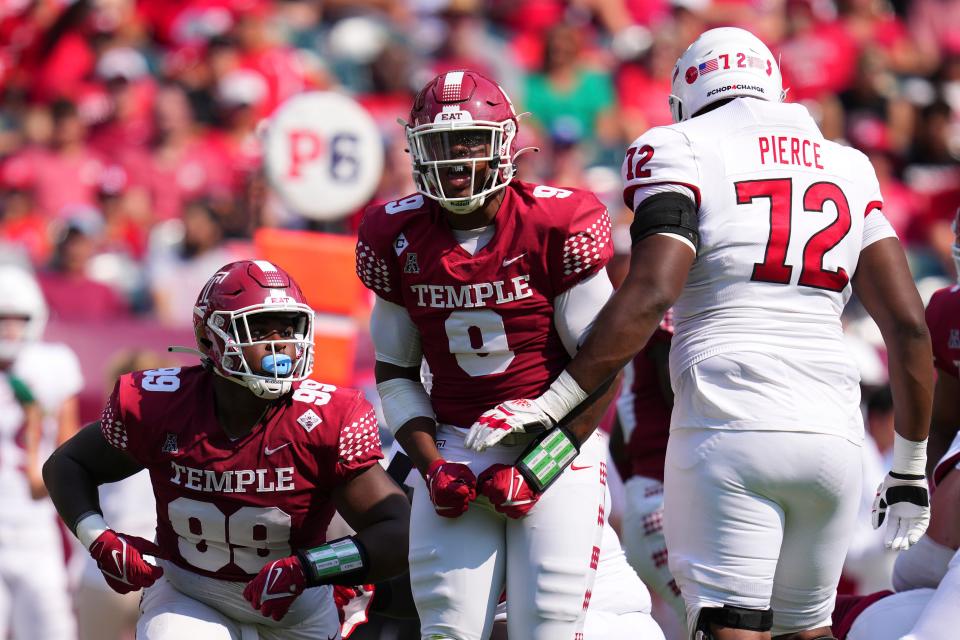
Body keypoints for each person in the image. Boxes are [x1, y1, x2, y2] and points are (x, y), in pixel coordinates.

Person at [465, 27, 934, 640]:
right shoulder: (847, 163)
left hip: (729, 422)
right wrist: (909, 468)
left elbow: (653, 289)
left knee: (730, 627)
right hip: (833, 435)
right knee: (808, 628)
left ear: (687, 93)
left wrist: (553, 402)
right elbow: (907, 327)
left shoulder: (679, 145)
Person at [356, 70, 662, 639]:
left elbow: (602, 362)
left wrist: (541, 463)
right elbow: (396, 372)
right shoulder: (393, 233)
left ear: (504, 144)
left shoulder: (554, 222)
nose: (456, 159)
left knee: (546, 623)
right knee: (448, 626)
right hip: (455, 440)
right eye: (442, 144)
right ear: (417, 150)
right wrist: (431, 466)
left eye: (470, 141)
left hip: (557, 446)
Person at [43, 259, 410, 640]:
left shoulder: (327, 416)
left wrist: (310, 566)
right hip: (191, 596)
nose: (279, 343)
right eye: (258, 328)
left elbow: (397, 531)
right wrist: (99, 539)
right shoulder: (160, 405)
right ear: (208, 337)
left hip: (296, 608)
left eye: (288, 328)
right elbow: (66, 464)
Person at [0, 264, 77, 640]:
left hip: (33, 528)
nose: (9, 328)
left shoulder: (52, 364)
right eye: (1, 318)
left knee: (52, 631)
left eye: (18, 318)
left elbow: (66, 449)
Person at [609, 311, 687, 626]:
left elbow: (618, 445)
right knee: (735, 628)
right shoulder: (672, 310)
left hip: (648, 501)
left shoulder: (645, 313)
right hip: (667, 504)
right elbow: (683, 405)